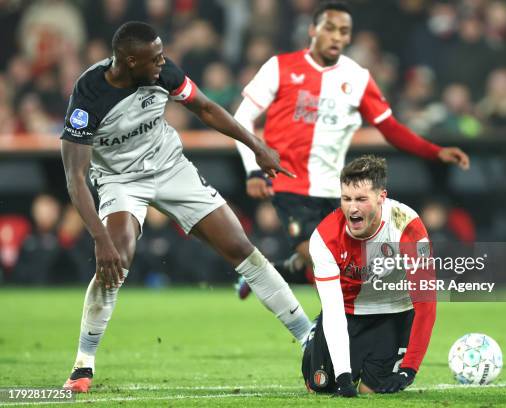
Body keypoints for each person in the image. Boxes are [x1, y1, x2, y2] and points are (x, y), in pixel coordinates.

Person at [60, 21, 313, 393]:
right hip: (119, 180)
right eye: (155, 58)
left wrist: (256, 146)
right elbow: (74, 177)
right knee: (118, 256)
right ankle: (83, 365)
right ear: (130, 61)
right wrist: (99, 237)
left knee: (240, 247)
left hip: (170, 166)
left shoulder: (163, 72)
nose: (163, 63)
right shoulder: (88, 95)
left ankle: (309, 338)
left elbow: (206, 109)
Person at [234, 0, 469, 298]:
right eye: (329, 28)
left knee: (347, 267)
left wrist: (434, 151)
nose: (337, 36)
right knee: (326, 264)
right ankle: (323, 334)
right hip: (289, 184)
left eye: (344, 31)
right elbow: (241, 118)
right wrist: (253, 169)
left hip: (335, 190)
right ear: (312, 30)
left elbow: (390, 128)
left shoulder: (357, 77)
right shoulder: (280, 67)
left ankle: (273, 274)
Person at [301, 155, 436, 396]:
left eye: (361, 199)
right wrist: (342, 377)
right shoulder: (324, 238)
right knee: (320, 387)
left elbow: (426, 302)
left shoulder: (408, 227)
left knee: (371, 391)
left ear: (381, 197)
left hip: (394, 313)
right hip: (348, 313)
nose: (352, 207)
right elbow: (333, 309)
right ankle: (316, 339)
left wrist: (409, 368)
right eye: (346, 199)